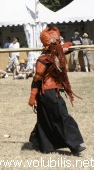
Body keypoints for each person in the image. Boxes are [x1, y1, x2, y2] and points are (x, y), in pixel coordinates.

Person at [28, 26, 85, 155]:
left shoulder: (56, 53)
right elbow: (37, 79)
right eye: (56, 41)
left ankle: (39, 142)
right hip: (47, 92)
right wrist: (33, 95)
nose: (59, 44)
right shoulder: (43, 59)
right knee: (62, 116)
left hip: (53, 91)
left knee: (46, 118)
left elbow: (67, 47)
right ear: (50, 43)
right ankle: (74, 145)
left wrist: (71, 44)